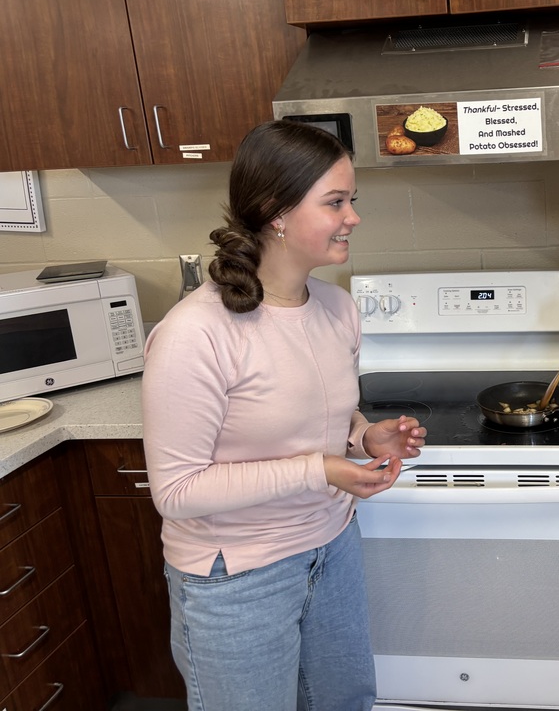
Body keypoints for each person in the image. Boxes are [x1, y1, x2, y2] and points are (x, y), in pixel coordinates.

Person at [141, 120, 426, 711]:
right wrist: (320, 468)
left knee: (345, 703)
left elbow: (328, 419)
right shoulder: (195, 334)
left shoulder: (337, 308)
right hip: (235, 576)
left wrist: (364, 437)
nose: (353, 217)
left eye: (353, 201)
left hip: (331, 545)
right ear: (276, 212)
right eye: (335, 202)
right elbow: (177, 490)